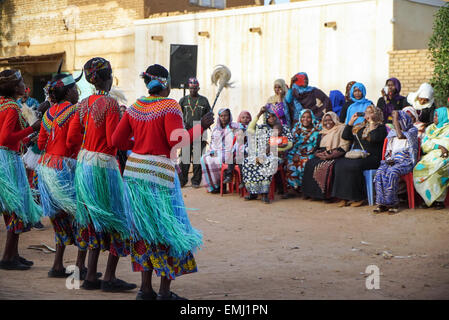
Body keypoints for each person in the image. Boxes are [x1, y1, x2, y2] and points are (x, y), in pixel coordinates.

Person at [112, 64, 214, 300]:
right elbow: (176, 142)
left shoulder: (136, 106)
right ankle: (165, 292)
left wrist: (139, 148)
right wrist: (202, 126)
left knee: (144, 231)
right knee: (169, 230)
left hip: (135, 174)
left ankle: (145, 289)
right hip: (159, 175)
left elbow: (117, 140)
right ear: (165, 83)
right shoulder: (170, 106)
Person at [67, 57, 136, 292]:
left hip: (84, 164)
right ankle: (108, 277)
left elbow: (73, 138)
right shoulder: (110, 105)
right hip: (104, 166)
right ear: (107, 79)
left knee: (92, 219)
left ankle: (90, 277)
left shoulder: (83, 104)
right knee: (117, 219)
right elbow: (112, 140)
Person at [36, 71, 93, 278]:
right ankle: (79, 266)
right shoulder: (75, 111)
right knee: (81, 216)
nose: (78, 93)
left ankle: (58, 264)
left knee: (59, 217)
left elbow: (41, 143)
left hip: (46, 167)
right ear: (69, 92)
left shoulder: (48, 114)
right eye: (75, 89)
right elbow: (71, 141)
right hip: (66, 168)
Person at [0, 69, 42, 270]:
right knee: (16, 206)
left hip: (5, 157)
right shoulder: (11, 108)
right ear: (11, 86)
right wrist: (32, 129)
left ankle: (14, 254)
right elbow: (6, 138)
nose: (23, 85)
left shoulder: (3, 104)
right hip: (8, 159)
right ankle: (8, 256)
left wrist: (28, 137)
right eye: (19, 82)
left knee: (12, 207)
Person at [332, 105, 387, 207]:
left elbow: (373, 138)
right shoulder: (360, 126)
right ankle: (344, 197)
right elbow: (346, 136)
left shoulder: (381, 128)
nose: (368, 114)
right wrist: (351, 122)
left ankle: (359, 197)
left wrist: (371, 123)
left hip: (372, 157)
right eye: (366, 112)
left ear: (377, 114)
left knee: (355, 166)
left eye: (371, 112)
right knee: (340, 163)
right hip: (358, 155)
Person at [242, 105, 292, 204]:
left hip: (276, 156)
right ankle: (253, 192)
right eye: (269, 116)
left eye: (274, 116)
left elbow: (289, 144)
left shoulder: (284, 128)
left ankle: (265, 194)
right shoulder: (262, 128)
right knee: (248, 162)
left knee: (267, 162)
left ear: (278, 116)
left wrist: (273, 148)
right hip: (261, 154)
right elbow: (249, 129)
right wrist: (259, 113)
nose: (271, 118)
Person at [373, 110, 418, 214]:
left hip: (405, 161)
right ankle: (382, 203)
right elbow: (389, 150)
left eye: (398, 121)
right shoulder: (392, 133)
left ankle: (393, 203)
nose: (395, 123)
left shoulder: (412, 130)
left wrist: (396, 120)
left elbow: (400, 135)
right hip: (392, 160)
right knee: (380, 172)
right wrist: (389, 160)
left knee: (392, 172)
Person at [302, 111, 351, 200]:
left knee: (325, 166)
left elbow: (344, 146)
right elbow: (317, 147)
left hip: (337, 155)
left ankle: (326, 196)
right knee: (310, 163)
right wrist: (318, 154)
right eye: (325, 120)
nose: (327, 123)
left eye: (330, 120)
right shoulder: (322, 132)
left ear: (335, 120)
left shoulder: (341, 128)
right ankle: (313, 194)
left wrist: (330, 155)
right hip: (323, 155)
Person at [413, 107, 449, 209]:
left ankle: (439, 201)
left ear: (443, 116)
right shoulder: (430, 129)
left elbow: (447, 143)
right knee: (419, 169)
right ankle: (428, 199)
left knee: (438, 169)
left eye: (437, 116)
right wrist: (438, 146)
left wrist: (442, 147)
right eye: (434, 115)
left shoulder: (448, 129)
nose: (434, 117)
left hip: (445, 156)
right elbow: (425, 143)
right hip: (430, 155)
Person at [179, 77, 211, 188]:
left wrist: (205, 125)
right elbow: (178, 116)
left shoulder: (204, 101)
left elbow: (209, 117)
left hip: (200, 133)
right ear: (188, 88)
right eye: (191, 88)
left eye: (195, 88)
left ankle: (196, 181)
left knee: (197, 158)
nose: (193, 90)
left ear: (198, 88)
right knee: (185, 157)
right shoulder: (183, 100)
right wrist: (183, 125)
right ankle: (182, 180)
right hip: (187, 133)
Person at [200, 108, 239, 192]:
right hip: (217, 151)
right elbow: (213, 143)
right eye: (221, 116)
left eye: (226, 115)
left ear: (229, 116)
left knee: (220, 158)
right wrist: (212, 151)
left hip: (230, 152)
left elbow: (238, 141)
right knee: (205, 158)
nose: (224, 118)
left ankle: (222, 184)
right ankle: (214, 186)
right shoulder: (216, 129)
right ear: (219, 117)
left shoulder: (235, 127)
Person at [284, 109, 321, 197]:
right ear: (300, 118)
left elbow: (318, 144)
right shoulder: (297, 128)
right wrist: (296, 153)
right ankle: (293, 188)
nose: (306, 119)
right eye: (303, 117)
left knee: (305, 162)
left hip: (312, 151)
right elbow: (293, 143)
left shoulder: (317, 128)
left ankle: (305, 189)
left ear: (312, 118)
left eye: (308, 117)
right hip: (297, 151)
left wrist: (310, 152)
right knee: (290, 162)